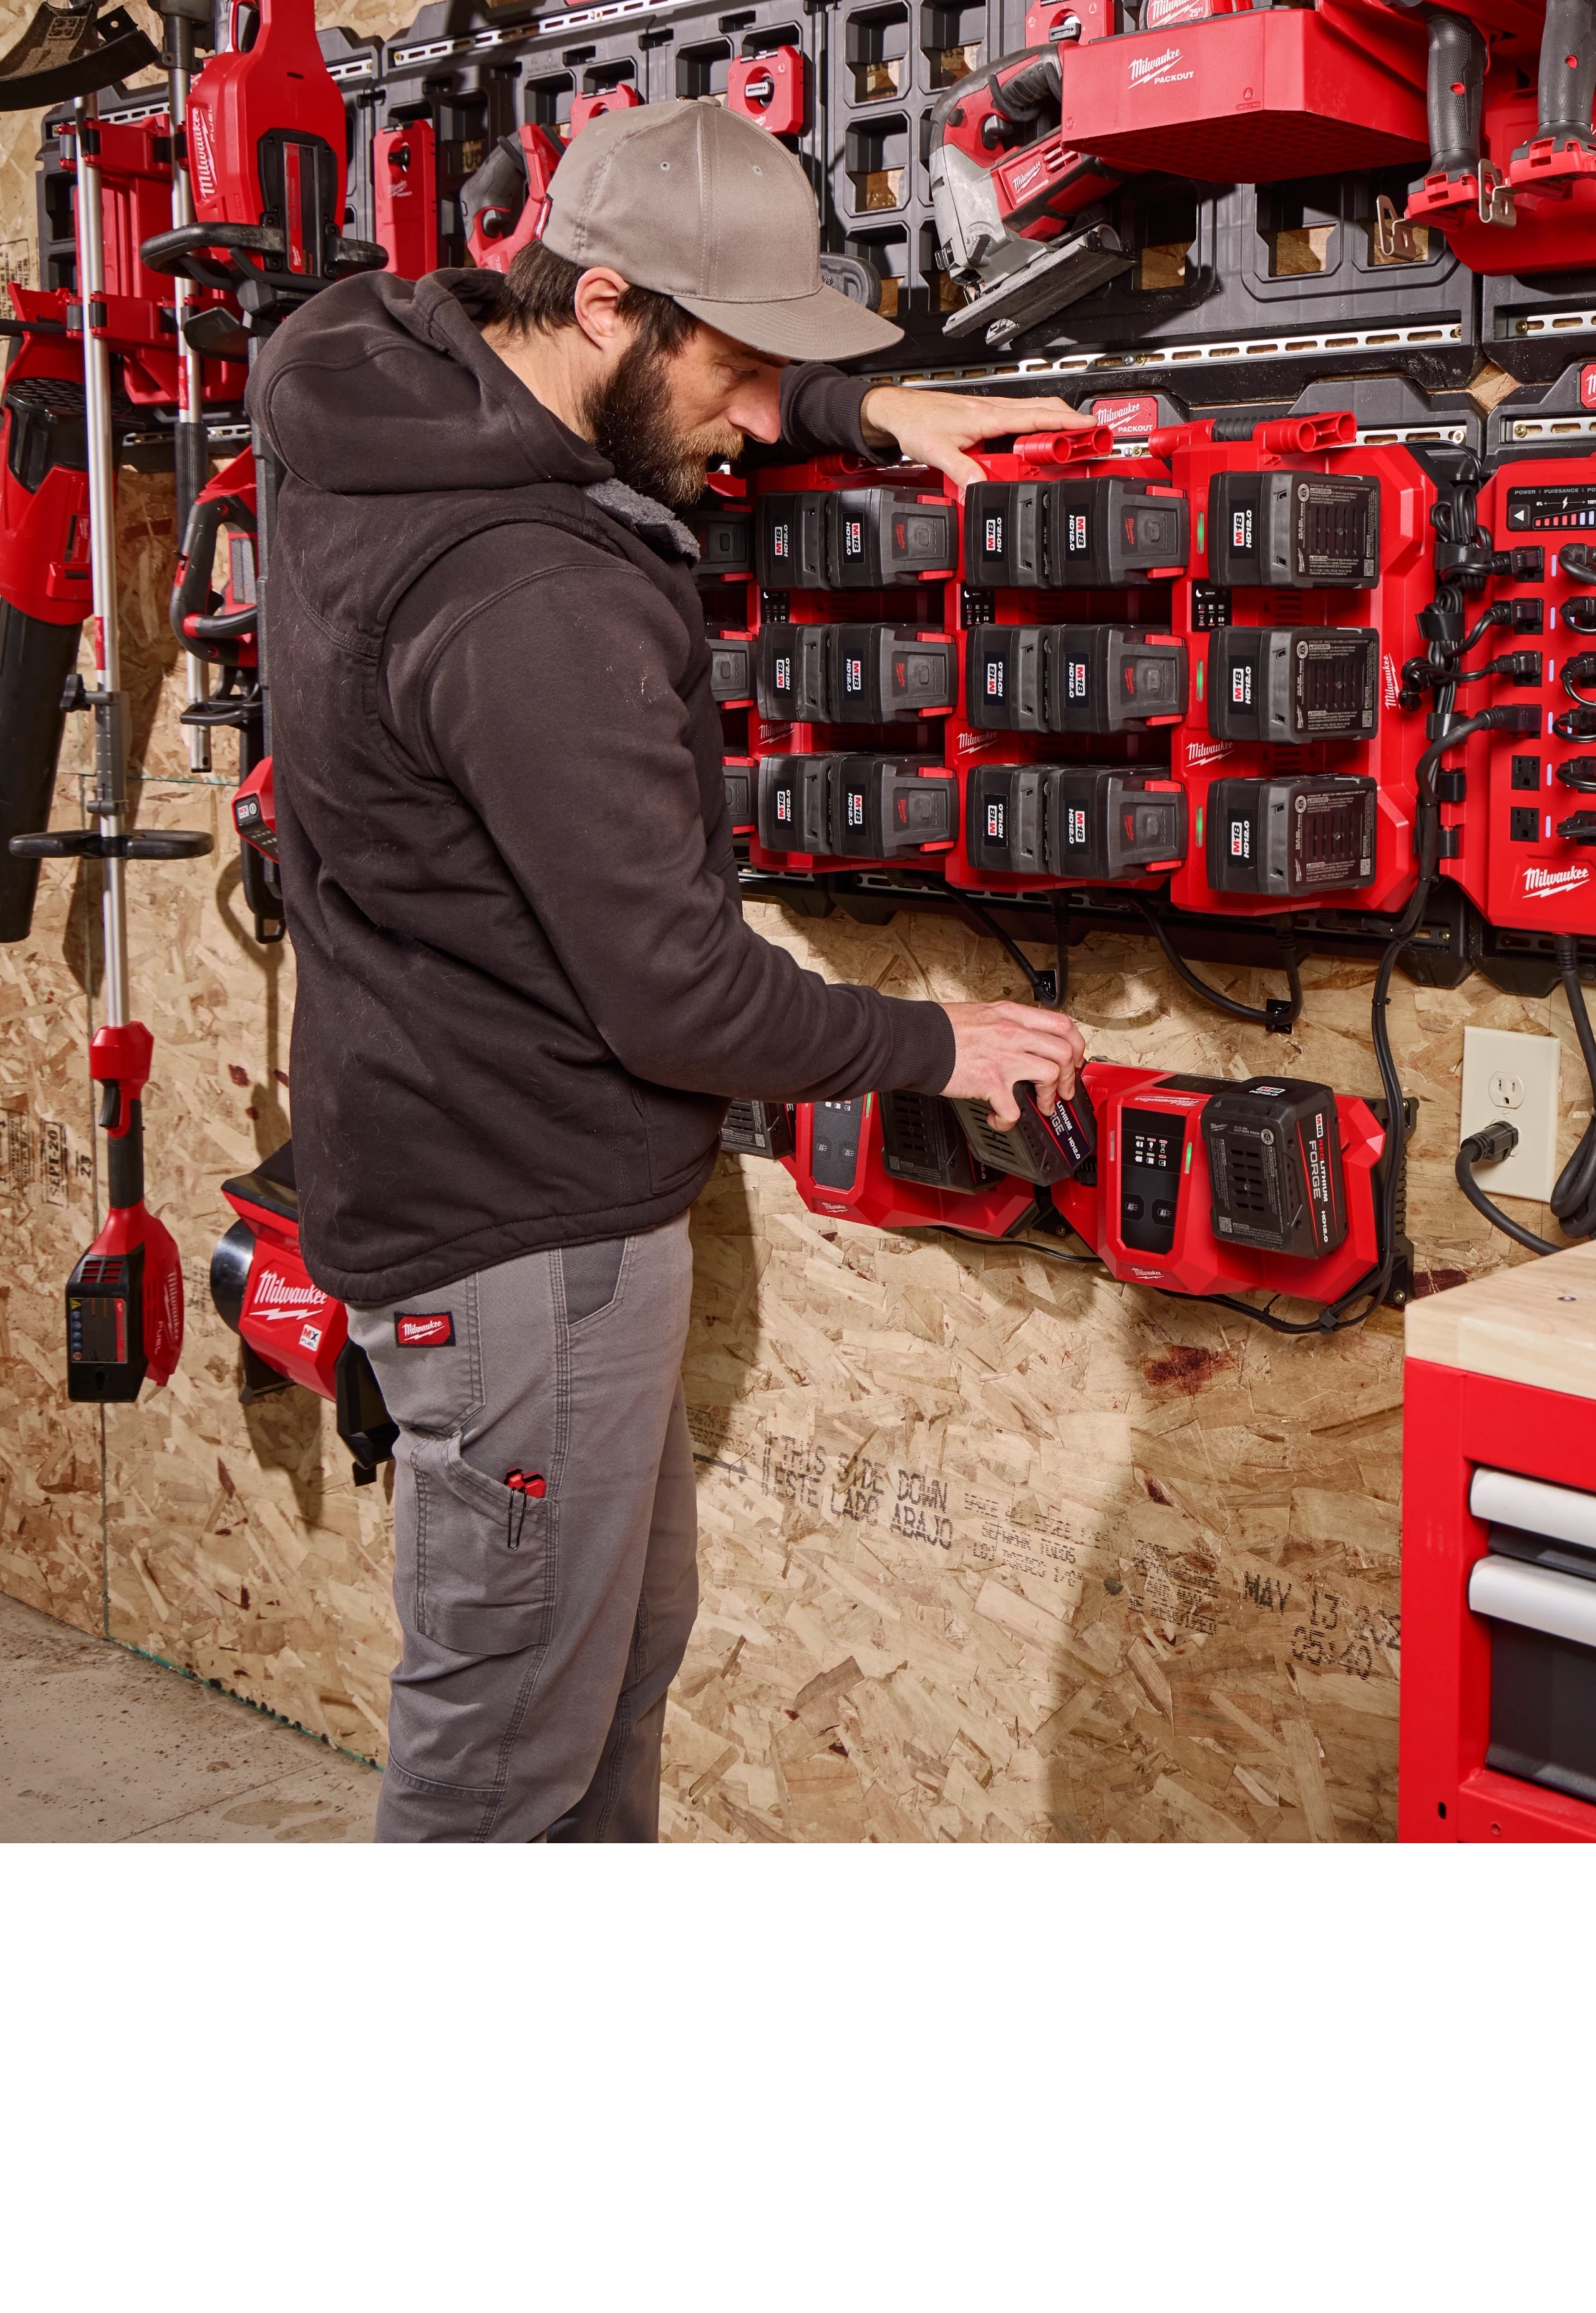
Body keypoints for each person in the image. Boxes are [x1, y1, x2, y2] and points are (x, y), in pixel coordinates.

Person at [251, 97, 1087, 1842]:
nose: (764, 419)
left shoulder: (382, 394)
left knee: (600, 1679)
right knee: (501, 1757)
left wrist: (860, 402)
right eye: (743, 368)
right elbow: (679, 996)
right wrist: (936, 1043)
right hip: (519, 1230)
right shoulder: (531, 597)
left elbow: (649, 393)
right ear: (605, 302)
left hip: (457, 1162)